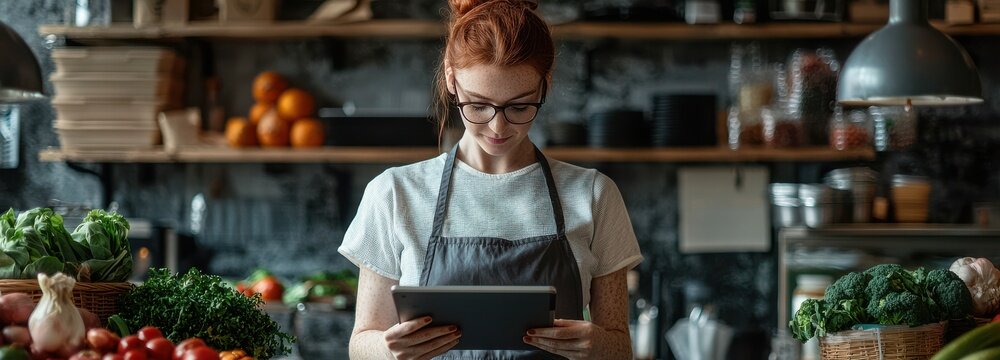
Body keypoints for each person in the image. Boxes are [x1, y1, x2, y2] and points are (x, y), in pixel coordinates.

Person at [338, 0, 644, 358]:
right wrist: (387, 350)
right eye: (479, 105)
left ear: (545, 84)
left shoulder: (593, 195)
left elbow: (620, 345)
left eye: (519, 106)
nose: (498, 127)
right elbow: (361, 343)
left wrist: (599, 346)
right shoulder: (394, 193)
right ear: (452, 80)